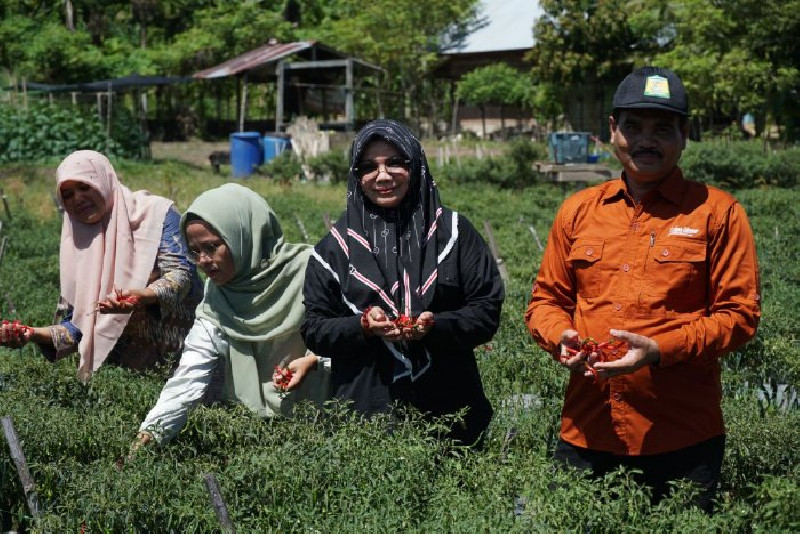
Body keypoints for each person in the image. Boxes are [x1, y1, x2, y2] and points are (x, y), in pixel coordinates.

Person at [525, 67, 761, 512]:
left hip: (683, 437)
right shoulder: (578, 210)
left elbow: (739, 317)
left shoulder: (719, 213)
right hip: (587, 432)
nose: (645, 140)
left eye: (662, 128)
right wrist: (561, 336)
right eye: (632, 126)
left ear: (684, 134)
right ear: (612, 130)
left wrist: (658, 350)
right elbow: (546, 301)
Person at [301, 119, 504, 447]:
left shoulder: (453, 233)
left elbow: (486, 311)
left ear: (416, 164)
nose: (382, 175)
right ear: (356, 175)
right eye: (369, 166)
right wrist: (362, 325)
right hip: (366, 419)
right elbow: (314, 329)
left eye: (395, 162)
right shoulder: (334, 249)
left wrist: (435, 325)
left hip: (451, 412)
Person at [133, 183, 329, 448]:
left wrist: (315, 360)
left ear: (244, 235)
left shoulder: (310, 270)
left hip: (327, 421)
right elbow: (188, 376)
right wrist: (149, 435)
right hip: (258, 430)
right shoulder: (218, 295)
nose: (203, 260)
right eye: (194, 251)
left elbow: (351, 334)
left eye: (212, 246)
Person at [0, 150, 202, 382]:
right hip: (125, 378)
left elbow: (181, 274)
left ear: (103, 180)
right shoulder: (77, 240)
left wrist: (142, 295)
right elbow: (77, 328)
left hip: (183, 356)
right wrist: (31, 334)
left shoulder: (156, 214)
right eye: (68, 194)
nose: (77, 199)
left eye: (85, 187)